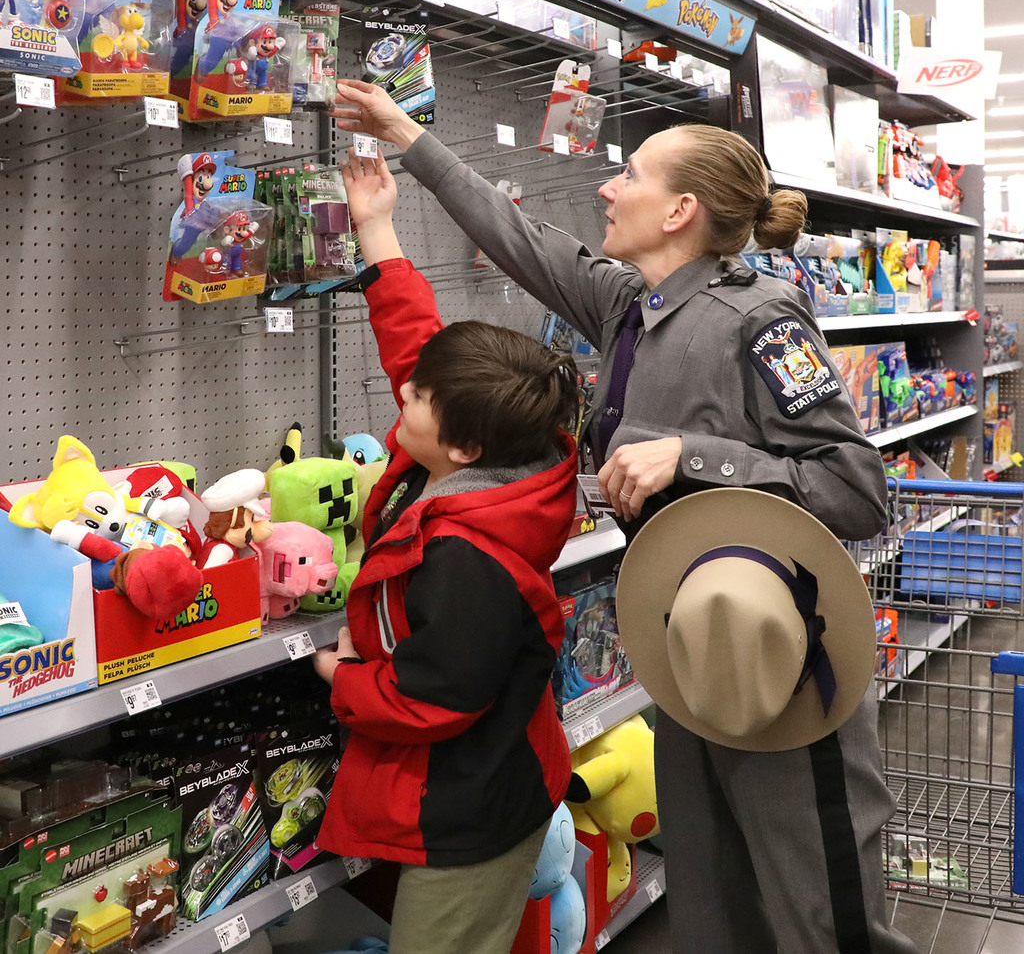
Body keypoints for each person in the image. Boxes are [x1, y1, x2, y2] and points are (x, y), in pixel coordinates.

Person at [331, 79, 916, 953]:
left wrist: (696, 456)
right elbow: (516, 234)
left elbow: (856, 488)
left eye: (630, 174)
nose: (609, 186)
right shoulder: (627, 307)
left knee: (821, 912)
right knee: (714, 901)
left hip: (785, 656)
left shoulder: (760, 320)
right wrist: (404, 134)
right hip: (687, 653)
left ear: (680, 210)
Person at [312, 147, 582, 954]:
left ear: (462, 446)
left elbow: (438, 696)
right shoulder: (494, 457)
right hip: (479, 779)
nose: (402, 394)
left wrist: (345, 677)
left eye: (418, 398)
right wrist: (377, 229)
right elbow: (417, 344)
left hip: (470, 807)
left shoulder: (470, 557)